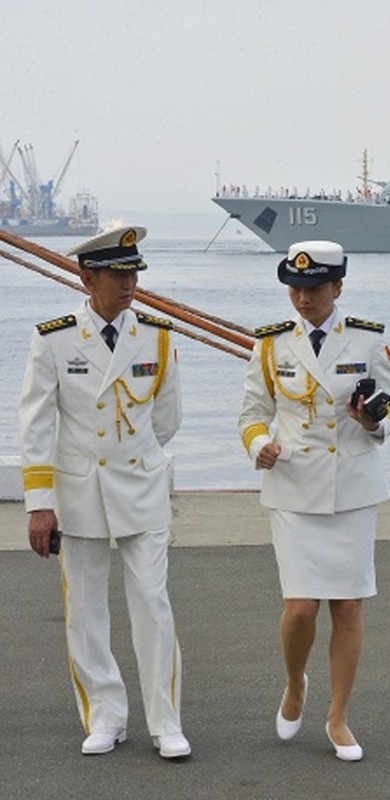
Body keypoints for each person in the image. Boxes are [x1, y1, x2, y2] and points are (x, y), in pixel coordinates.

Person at [19, 226, 190, 759]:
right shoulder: (54, 338)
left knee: (152, 606)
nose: (128, 284)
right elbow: (35, 425)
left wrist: (129, 458)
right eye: (118, 275)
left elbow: (167, 419)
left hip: (140, 486)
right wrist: (39, 505)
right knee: (86, 610)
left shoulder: (157, 336)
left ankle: (166, 723)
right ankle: (105, 715)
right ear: (86, 278)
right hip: (79, 492)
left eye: (133, 273)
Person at [238, 240, 390, 762]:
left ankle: (338, 716)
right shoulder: (270, 344)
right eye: (295, 288)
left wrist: (373, 420)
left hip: (351, 486)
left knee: (348, 607)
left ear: (337, 288)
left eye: (313, 289)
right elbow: (251, 413)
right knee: (300, 608)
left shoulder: (368, 340)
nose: (302, 299)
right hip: (293, 485)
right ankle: (294, 683)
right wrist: (259, 445)